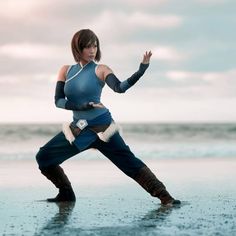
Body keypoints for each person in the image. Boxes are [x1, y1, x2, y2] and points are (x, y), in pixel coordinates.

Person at [36, 29, 181, 206]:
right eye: (87, 46)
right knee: (44, 157)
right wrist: (80, 106)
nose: (92, 50)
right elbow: (58, 101)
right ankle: (66, 193)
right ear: (77, 48)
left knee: (128, 162)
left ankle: (165, 197)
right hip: (79, 128)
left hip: (102, 127)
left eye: (95, 46)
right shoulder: (66, 70)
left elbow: (120, 88)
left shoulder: (101, 69)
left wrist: (141, 70)